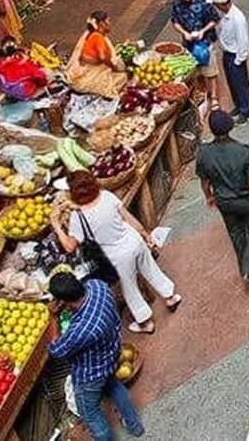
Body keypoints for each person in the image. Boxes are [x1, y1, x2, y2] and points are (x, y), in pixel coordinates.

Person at [51, 170, 181, 332]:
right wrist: (145, 235)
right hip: (134, 240)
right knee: (151, 269)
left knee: (130, 287)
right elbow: (128, 218)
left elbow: (70, 247)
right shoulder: (106, 196)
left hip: (119, 255)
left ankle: (146, 323)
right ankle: (171, 297)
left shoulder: (79, 217)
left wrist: (56, 226)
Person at [48, 273, 145, 441]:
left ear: (63, 302)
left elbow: (56, 350)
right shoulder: (97, 285)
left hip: (90, 375)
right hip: (111, 354)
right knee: (115, 387)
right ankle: (135, 426)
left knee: (91, 414)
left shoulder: (81, 329)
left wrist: (54, 317)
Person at [196, 110, 249, 289]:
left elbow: (204, 181)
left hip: (224, 202)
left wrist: (209, 196)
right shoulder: (245, 151)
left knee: (235, 233)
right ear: (230, 126)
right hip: (247, 202)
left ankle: (243, 267)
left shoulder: (203, 153)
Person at [170, 0, 220, 108]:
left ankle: (214, 97)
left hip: (206, 41)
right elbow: (175, 21)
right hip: (189, 44)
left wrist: (203, 31)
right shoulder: (177, 4)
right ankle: (201, 93)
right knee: (195, 72)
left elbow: (215, 20)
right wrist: (184, 33)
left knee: (211, 70)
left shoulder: (204, 2)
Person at [209, 0, 249, 122]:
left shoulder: (237, 18)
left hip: (235, 56)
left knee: (241, 84)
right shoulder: (225, 14)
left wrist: (239, 60)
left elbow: (243, 41)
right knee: (233, 83)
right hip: (227, 53)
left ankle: (247, 111)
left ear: (220, 5)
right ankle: (239, 106)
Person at [65, 11, 127, 98]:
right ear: (101, 24)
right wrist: (114, 67)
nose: (110, 24)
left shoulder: (92, 35)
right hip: (91, 75)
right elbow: (102, 57)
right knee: (122, 77)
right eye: (108, 21)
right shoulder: (97, 36)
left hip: (88, 71)